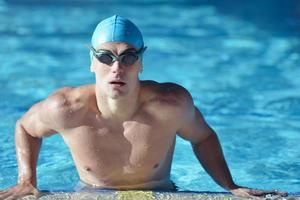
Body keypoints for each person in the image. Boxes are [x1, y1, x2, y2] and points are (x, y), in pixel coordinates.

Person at [0, 15, 287, 199]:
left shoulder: (170, 105)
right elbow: (25, 127)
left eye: (127, 57)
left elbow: (203, 137)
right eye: (105, 57)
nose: (116, 68)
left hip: (162, 192)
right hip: (91, 193)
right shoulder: (66, 108)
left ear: (140, 62)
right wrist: (27, 179)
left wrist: (231, 186)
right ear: (91, 62)